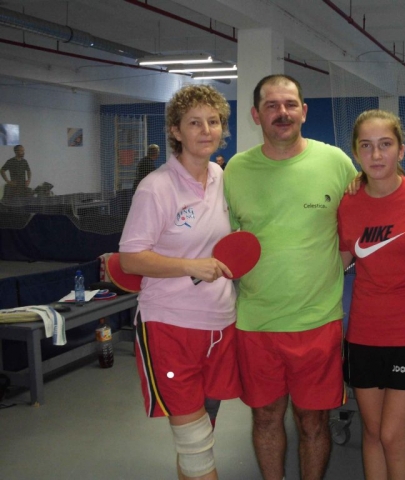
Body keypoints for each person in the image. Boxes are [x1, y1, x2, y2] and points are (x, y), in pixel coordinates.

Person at [223, 74, 357, 480]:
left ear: (304, 111)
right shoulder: (235, 170)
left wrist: (329, 268)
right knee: (265, 418)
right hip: (256, 323)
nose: (282, 113)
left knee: (313, 422)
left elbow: (356, 227)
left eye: (290, 104)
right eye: (271, 106)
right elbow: (228, 243)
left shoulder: (336, 162)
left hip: (317, 322)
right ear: (255, 115)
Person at [119, 84, 242, 480]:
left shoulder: (222, 177)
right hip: (170, 325)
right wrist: (191, 266)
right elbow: (130, 258)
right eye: (194, 123)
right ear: (175, 130)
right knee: (195, 446)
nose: (206, 130)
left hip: (220, 324)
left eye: (213, 121)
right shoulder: (155, 187)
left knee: (200, 438)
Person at [337, 110, 405, 480]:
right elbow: (337, 264)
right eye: (366, 146)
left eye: (385, 144)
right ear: (355, 152)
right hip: (363, 334)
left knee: (394, 435)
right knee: (373, 432)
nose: (376, 154)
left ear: (401, 150)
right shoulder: (347, 203)